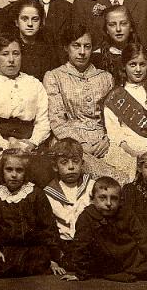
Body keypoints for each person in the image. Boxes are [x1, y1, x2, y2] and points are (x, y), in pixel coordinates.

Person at [43, 24, 115, 179]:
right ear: (66, 48)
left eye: (87, 46)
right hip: (68, 141)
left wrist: (108, 139)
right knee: (100, 175)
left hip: (103, 141)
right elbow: (57, 120)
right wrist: (81, 146)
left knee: (128, 169)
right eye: (76, 46)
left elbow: (114, 119)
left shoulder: (106, 78)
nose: (82, 52)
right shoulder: (54, 77)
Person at [0, 150, 64, 277]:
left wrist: (53, 259)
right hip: (6, 248)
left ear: (26, 172)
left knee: (39, 258)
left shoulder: (36, 194)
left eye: (19, 170)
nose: (14, 175)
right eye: (9, 170)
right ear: (2, 171)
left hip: (32, 248)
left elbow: (48, 227)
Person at [102, 43, 147, 183]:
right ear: (124, 66)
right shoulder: (115, 96)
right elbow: (114, 131)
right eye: (132, 64)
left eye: (142, 64)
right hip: (126, 147)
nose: (138, 69)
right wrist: (130, 150)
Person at [0, 33, 51, 158]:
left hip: (28, 143)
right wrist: (4, 144)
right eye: (5, 54)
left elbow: (43, 120)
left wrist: (32, 143)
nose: (11, 60)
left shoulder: (34, 83)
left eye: (16, 53)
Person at [42, 138, 95, 269]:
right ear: (55, 166)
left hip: (88, 241)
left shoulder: (92, 187)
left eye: (75, 161)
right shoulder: (49, 193)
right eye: (64, 163)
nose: (71, 167)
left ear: (82, 163)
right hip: (64, 243)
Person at [11, 0, 57, 81]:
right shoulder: (10, 47)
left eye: (35, 19)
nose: (30, 24)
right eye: (24, 19)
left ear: (41, 22)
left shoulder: (49, 49)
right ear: (16, 22)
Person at [91, 4, 142, 76]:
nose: (118, 29)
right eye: (112, 25)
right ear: (106, 30)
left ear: (131, 27)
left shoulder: (143, 54)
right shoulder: (97, 57)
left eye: (123, 24)